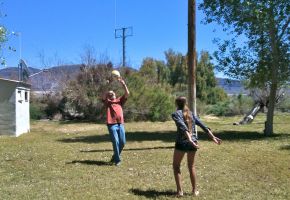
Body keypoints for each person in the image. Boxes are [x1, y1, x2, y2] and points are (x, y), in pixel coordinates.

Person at [171, 96, 221, 197]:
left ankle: (180, 191)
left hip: (182, 143)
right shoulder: (191, 114)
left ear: (176, 104)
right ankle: (194, 191)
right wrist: (213, 137)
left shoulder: (176, 114)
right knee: (191, 166)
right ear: (185, 103)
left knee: (176, 166)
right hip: (193, 142)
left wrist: (189, 140)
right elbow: (204, 126)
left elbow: (183, 127)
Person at [102, 77, 129, 166]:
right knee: (116, 142)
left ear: (115, 94)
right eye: (109, 94)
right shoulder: (107, 102)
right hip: (111, 124)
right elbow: (103, 95)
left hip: (120, 124)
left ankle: (114, 156)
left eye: (112, 93)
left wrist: (123, 84)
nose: (111, 94)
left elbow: (127, 93)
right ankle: (117, 160)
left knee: (123, 142)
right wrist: (106, 85)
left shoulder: (119, 101)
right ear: (108, 96)